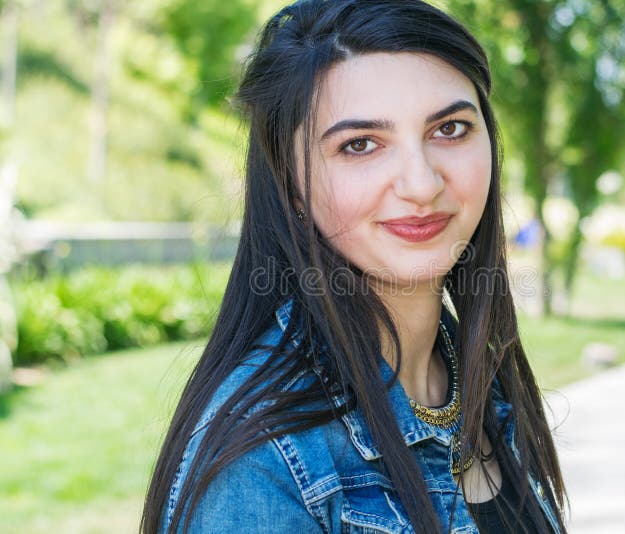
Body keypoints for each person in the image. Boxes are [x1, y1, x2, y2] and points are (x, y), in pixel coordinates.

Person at [140, 1, 566, 533]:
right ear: (290, 184)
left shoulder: (479, 379)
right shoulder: (264, 464)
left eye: (450, 129)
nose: (421, 184)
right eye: (360, 145)